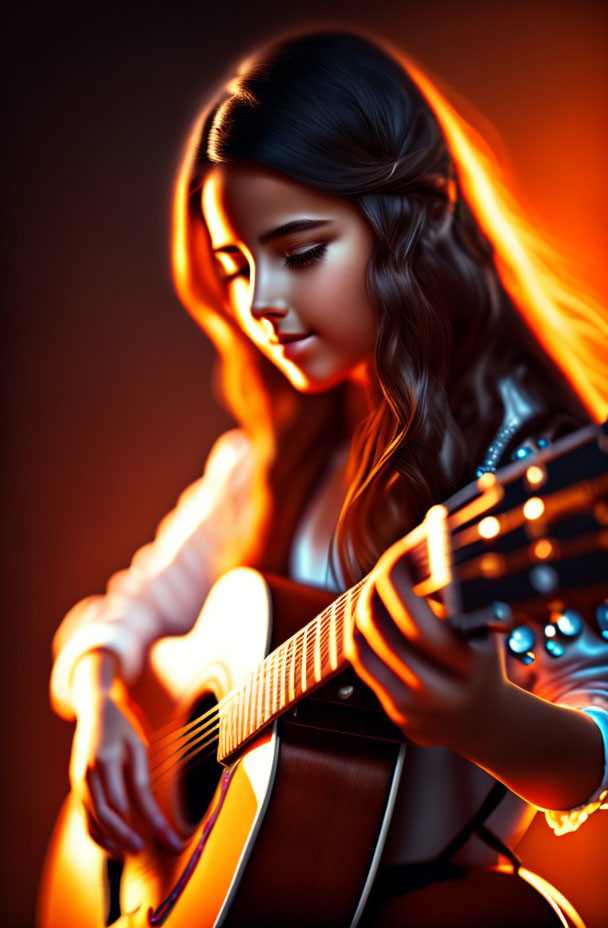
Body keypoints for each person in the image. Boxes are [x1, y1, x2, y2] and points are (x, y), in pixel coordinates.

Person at [49, 28, 608, 924]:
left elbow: (596, 738)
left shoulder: (520, 462)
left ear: (413, 224)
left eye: (301, 252)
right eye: (236, 265)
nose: (260, 300)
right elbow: (110, 619)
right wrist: (102, 702)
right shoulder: (273, 459)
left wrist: (478, 718)